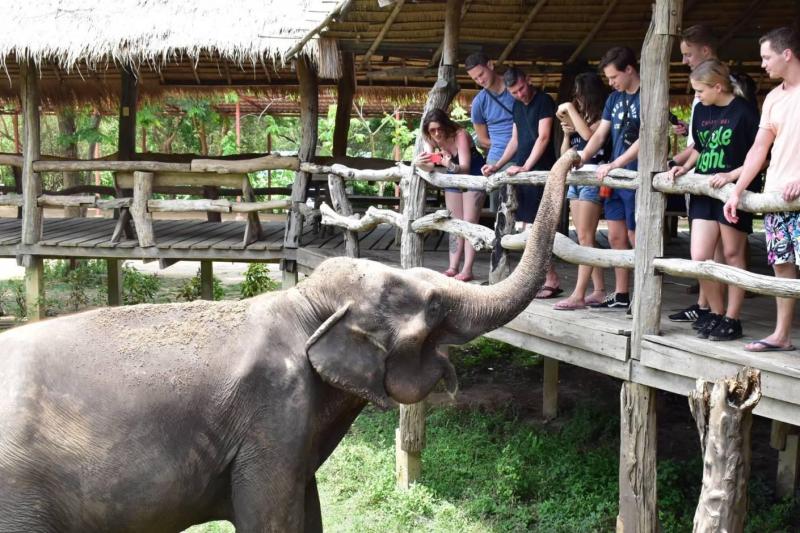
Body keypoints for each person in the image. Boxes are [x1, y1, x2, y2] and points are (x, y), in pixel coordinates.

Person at [668, 25, 758, 324]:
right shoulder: (702, 110)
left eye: (699, 91)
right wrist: (685, 166)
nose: (696, 96)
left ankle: (732, 317)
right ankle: (715, 312)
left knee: (732, 255)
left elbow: (759, 157)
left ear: (718, 87)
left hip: (731, 189)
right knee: (700, 257)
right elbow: (700, 147)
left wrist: (732, 176)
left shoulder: (744, 112)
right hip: (704, 187)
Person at [724, 27, 800, 352]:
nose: (764, 64)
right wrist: (737, 189)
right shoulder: (772, 98)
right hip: (775, 199)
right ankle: (781, 335)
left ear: (787, 54)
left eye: (767, 57)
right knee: (782, 266)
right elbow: (758, 149)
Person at [482, 66, 560, 298]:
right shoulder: (517, 105)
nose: (520, 94)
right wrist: (498, 164)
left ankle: (551, 278)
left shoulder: (544, 100)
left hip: (541, 171)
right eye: (514, 92)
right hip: (522, 171)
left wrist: (527, 166)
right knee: (527, 227)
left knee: (540, 227)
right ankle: (540, 276)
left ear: (528, 79)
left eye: (522, 88)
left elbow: (543, 136)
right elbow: (515, 139)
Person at [578, 46, 641, 310]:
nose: (612, 83)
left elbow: (646, 137)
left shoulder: (648, 95)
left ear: (629, 69)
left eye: (614, 77)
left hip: (636, 174)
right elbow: (600, 135)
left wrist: (616, 163)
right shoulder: (613, 100)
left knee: (636, 235)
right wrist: (580, 158)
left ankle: (643, 294)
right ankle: (622, 293)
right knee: (616, 236)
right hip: (613, 178)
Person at [553, 72, 609, 310]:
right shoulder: (580, 118)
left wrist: (569, 109)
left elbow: (589, 136)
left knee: (586, 237)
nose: (576, 99)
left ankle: (578, 294)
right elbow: (566, 152)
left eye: (579, 94)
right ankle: (598, 290)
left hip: (593, 177)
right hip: (576, 176)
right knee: (583, 236)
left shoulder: (600, 118)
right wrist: (567, 133)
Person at [414, 108, 486, 282]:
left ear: (446, 125)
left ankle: (467, 269)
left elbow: (465, 167)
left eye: (440, 128)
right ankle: (453, 267)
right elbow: (430, 165)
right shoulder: (428, 138)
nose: (437, 133)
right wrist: (418, 163)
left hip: (473, 175)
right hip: (452, 175)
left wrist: (449, 165)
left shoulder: (459, 134)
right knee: (454, 222)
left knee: (469, 223)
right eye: (432, 130)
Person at [465, 52, 516, 211]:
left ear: (491, 65)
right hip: (496, 160)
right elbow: (482, 139)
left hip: (524, 155)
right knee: (501, 212)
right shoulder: (479, 102)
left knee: (526, 211)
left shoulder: (515, 88)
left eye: (481, 74)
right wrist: (506, 144)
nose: (480, 80)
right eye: (475, 79)